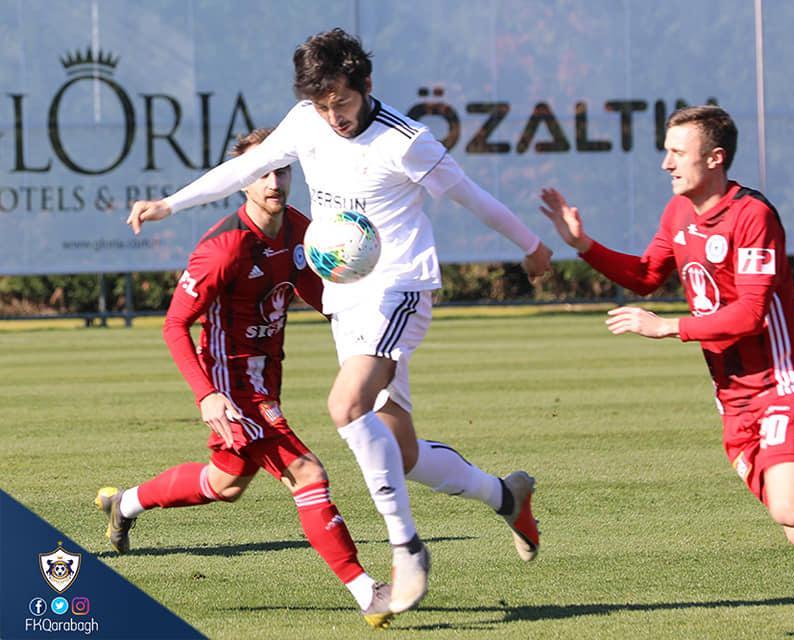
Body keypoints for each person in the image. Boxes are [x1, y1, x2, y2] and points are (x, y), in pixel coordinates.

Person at [126, 29, 551, 616]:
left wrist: (531, 245)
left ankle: (406, 552)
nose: (333, 117)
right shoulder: (306, 121)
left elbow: (472, 197)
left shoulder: (407, 141)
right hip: (349, 300)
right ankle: (506, 496)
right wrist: (168, 205)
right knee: (399, 451)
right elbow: (243, 168)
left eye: (342, 103)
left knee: (345, 405)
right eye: (322, 106)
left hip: (399, 290)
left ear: (366, 84)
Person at [539, 105, 794, 640]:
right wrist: (584, 246)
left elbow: (751, 313)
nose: (666, 164)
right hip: (733, 404)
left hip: (781, 386)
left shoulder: (752, 216)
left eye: (677, 153)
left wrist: (668, 327)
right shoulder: (679, 213)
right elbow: (645, 275)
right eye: (666, 151)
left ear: (715, 158)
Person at [97, 128, 394, 629]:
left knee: (226, 482)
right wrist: (207, 395)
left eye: (281, 170)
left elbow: (318, 296)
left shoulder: (299, 228)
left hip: (266, 373)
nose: (274, 181)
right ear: (242, 181)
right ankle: (368, 592)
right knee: (307, 472)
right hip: (232, 384)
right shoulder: (224, 249)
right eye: (261, 172)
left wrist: (363, 306)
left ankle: (123, 504)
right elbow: (174, 325)